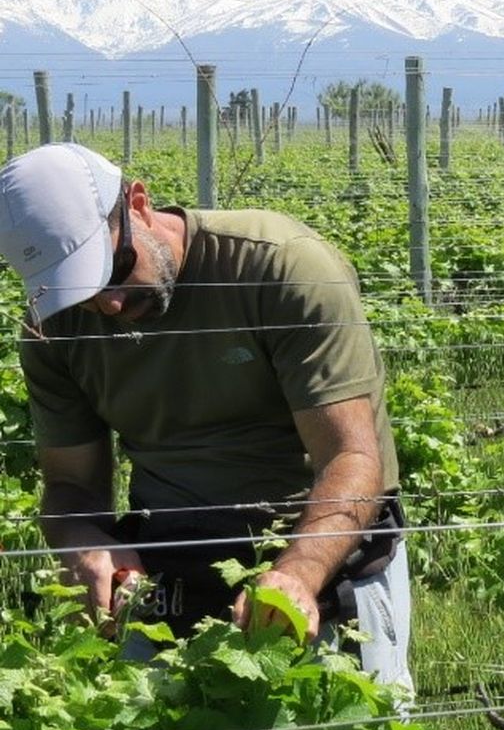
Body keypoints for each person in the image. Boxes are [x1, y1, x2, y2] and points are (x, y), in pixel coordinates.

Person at [0, 142, 411, 694]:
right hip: (168, 565)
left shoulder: (279, 266)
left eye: (114, 270)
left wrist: (298, 573)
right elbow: (71, 484)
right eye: (82, 294)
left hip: (324, 553)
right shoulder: (53, 332)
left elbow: (351, 458)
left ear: (139, 204)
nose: (110, 305)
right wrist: (81, 540)